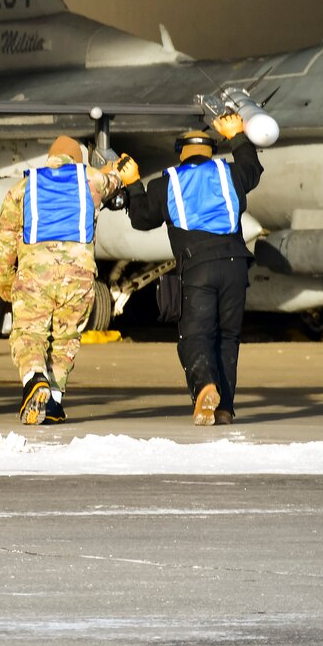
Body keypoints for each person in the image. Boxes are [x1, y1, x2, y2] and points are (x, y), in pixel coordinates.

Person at [125, 117, 264, 425]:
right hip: (236, 265)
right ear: (212, 151)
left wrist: (133, 182)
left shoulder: (167, 182)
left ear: (181, 153)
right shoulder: (230, 172)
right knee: (228, 337)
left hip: (199, 268)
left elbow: (143, 218)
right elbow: (252, 168)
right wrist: (237, 135)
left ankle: (204, 388)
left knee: (195, 336)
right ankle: (224, 408)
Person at [0, 135, 136, 425]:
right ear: (77, 160)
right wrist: (116, 171)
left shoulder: (22, 188)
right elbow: (116, 181)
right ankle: (55, 402)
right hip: (79, 278)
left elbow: (6, 241)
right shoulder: (91, 180)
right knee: (66, 338)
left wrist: (5, 278)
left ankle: (35, 378)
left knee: (30, 333)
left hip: (35, 276)